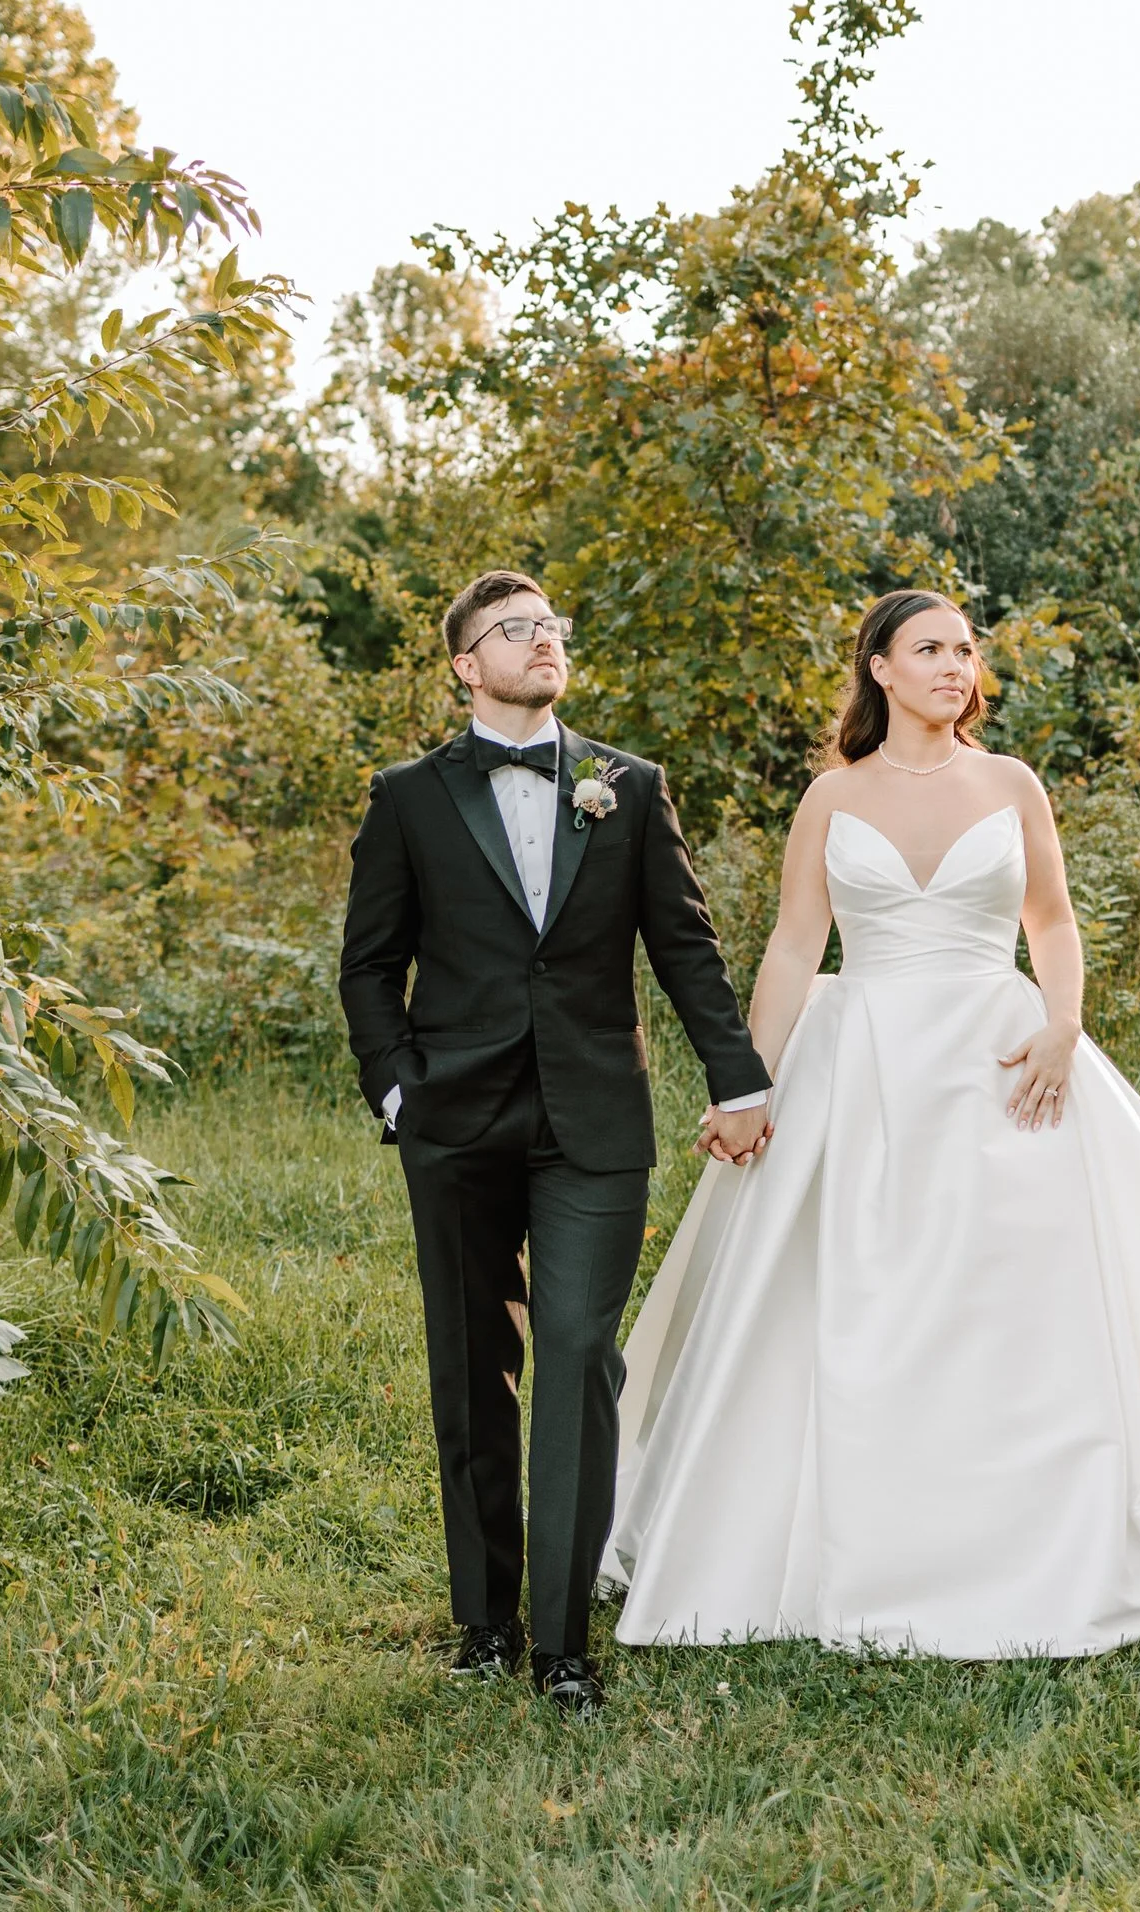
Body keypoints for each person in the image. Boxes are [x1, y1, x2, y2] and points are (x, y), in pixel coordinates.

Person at [605, 588, 1140, 1662]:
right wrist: (748, 1084)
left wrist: (1065, 1024)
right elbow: (797, 946)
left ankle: (1053, 1509)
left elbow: (1053, 919)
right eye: (928, 649)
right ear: (878, 670)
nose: (954, 665)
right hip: (865, 1061)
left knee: (1029, 1285)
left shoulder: (1010, 782)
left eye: (966, 649)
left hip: (1002, 1053)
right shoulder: (832, 797)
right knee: (845, 1289)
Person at [337, 570, 772, 1714]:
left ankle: (563, 1642)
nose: (544, 641)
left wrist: (740, 1080)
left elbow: (686, 948)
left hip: (594, 1118)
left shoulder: (628, 787)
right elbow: (369, 965)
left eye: (552, 628)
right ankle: (483, 1618)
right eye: (516, 630)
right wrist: (394, 1090)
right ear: (465, 665)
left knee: (579, 1352)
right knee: (476, 1360)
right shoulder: (409, 798)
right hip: (455, 1119)